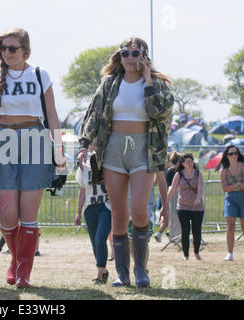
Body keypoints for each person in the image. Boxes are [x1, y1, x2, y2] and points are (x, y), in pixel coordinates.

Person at [78, 37, 174, 288]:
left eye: (135, 53)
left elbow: (159, 112)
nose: (129, 58)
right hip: (113, 151)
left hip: (144, 149)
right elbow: (93, 114)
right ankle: (123, 273)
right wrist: (83, 144)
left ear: (144, 56)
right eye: (125, 53)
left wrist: (149, 81)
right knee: (118, 215)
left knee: (140, 210)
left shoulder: (159, 85)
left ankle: (141, 269)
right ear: (120, 57)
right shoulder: (110, 83)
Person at [0, 27, 66, 288]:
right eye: (3, 48)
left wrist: (60, 153)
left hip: (36, 140)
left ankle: (23, 274)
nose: (6, 53)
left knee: (28, 213)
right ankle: (16, 260)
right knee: (7, 215)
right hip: (4, 141)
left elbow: (51, 115)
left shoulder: (41, 75)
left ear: (25, 51)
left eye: (12, 48)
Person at [75, 144, 111, 284]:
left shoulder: (108, 162)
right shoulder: (83, 166)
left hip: (106, 206)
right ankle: (104, 271)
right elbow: (82, 190)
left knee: (100, 239)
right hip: (90, 207)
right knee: (95, 243)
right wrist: (78, 213)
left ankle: (99, 274)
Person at [167, 153, 204, 260]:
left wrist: (198, 199)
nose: (191, 164)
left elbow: (200, 188)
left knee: (197, 231)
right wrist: (165, 204)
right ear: (183, 164)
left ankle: (196, 252)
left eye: (192, 162)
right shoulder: (178, 175)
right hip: (182, 208)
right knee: (185, 231)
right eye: (188, 162)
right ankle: (186, 255)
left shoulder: (198, 174)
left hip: (197, 208)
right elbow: (172, 190)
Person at [219, 145, 244, 261]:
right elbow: (224, 189)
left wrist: (232, 186)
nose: (234, 156)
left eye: (235, 153)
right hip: (230, 199)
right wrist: (239, 186)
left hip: (242, 198)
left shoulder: (242, 166)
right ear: (227, 156)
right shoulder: (223, 170)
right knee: (230, 225)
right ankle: (230, 253)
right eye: (231, 154)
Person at [154, 151, 180, 242]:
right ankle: (169, 232)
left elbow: (155, 183)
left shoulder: (165, 170)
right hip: (172, 196)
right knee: (173, 216)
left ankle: (163, 232)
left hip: (164, 195)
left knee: (167, 216)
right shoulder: (174, 172)